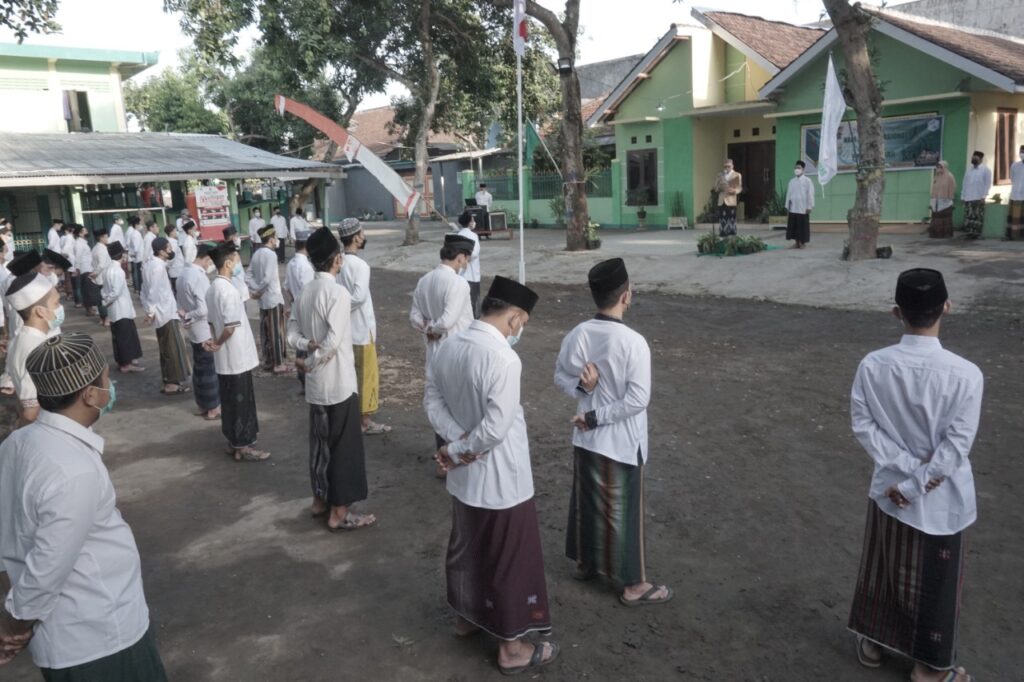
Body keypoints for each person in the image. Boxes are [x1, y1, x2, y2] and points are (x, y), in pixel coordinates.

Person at [0, 332, 168, 680]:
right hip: (99, 635)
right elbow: (47, 566)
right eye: (106, 379)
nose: (110, 387)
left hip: (71, 635)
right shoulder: (72, 470)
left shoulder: (19, 442)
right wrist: (14, 624)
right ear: (90, 394)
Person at [848, 268, 980, 682]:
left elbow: (863, 425)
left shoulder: (873, 365)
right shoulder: (966, 374)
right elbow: (956, 449)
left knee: (884, 565)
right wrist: (919, 479)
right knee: (936, 582)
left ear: (896, 312)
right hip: (938, 496)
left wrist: (905, 474)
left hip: (889, 490)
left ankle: (874, 642)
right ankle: (930, 667)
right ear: (946, 306)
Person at [426, 276, 559, 675]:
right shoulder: (502, 357)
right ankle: (511, 646)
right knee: (507, 558)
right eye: (524, 323)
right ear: (515, 318)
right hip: (500, 477)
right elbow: (497, 428)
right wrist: (461, 447)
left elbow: (431, 400)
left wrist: (453, 441)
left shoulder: (449, 345)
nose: (522, 329)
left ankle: (468, 617)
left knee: (469, 546)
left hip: (466, 474)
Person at [554, 258, 673, 608]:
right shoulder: (633, 342)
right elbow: (638, 400)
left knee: (589, 502)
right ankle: (634, 584)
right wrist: (591, 408)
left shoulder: (579, 334)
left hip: (588, 436)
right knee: (622, 511)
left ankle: (586, 563)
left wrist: (581, 390)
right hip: (618, 441)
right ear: (626, 296)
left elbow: (559, 377)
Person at [287, 227, 376, 531]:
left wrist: (304, 349)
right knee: (344, 448)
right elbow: (334, 341)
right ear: (337, 259)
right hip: (337, 382)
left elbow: (292, 333)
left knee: (320, 443)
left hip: (316, 387)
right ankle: (339, 512)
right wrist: (311, 360)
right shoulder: (336, 293)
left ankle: (320, 500)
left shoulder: (305, 292)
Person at [410, 234, 474, 459]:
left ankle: (443, 453)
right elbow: (448, 320)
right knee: (454, 404)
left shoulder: (425, 279)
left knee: (438, 401)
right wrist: (434, 329)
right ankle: (453, 453)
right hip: (455, 350)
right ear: (459, 257)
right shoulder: (458, 283)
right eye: (466, 259)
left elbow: (414, 316)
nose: (466, 264)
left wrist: (427, 328)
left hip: (434, 350)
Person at [204, 242, 269, 462]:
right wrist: (219, 342)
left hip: (225, 358)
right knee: (242, 402)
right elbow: (230, 328)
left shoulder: (212, 288)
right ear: (228, 263)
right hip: (236, 356)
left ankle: (234, 442)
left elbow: (213, 323)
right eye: (235, 258)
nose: (238, 262)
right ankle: (244, 445)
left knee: (230, 401)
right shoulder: (228, 290)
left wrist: (213, 342)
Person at [336, 218, 389, 435]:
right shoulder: (360, 266)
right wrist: (342, 307)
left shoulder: (338, 261)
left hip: (346, 330)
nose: (364, 236)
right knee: (367, 377)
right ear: (357, 237)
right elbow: (358, 297)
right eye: (362, 232)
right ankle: (365, 421)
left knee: (352, 375)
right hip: (361, 330)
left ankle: (354, 417)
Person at [4, 273, 62, 426]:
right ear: (40, 311)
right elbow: (31, 413)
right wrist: (20, 432)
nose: (60, 308)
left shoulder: (22, 339)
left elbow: (21, 397)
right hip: (48, 428)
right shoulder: (35, 347)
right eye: (56, 303)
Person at [141, 236, 192, 395]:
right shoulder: (157, 267)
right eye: (168, 248)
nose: (171, 251)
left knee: (167, 348)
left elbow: (144, 291)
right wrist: (150, 312)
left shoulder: (150, 264)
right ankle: (171, 384)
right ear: (161, 251)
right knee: (172, 349)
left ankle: (170, 381)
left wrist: (149, 310)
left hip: (162, 312)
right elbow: (153, 292)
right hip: (165, 313)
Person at [177, 243, 220, 421]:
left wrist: (186, 317)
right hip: (203, 329)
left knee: (199, 369)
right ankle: (213, 407)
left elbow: (179, 304)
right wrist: (190, 315)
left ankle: (202, 404)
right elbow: (203, 309)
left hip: (193, 329)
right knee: (209, 369)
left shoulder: (182, 275)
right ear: (207, 258)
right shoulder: (199, 277)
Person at [246, 224, 290, 374]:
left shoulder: (257, 253)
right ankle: (278, 363)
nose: (277, 240)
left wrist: (255, 290)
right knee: (276, 331)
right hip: (273, 298)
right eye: (276, 238)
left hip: (263, 299)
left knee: (265, 331)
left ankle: (267, 360)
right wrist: (258, 290)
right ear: (271, 239)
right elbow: (268, 278)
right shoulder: (271, 255)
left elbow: (248, 276)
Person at [101, 242, 144, 374]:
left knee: (121, 336)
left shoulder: (108, 269)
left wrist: (105, 300)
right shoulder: (118, 270)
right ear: (121, 254)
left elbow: (104, 290)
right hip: (121, 308)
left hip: (115, 309)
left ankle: (126, 360)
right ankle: (126, 364)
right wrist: (107, 301)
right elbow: (116, 291)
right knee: (124, 337)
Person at [284, 229, 315, 390]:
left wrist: (293, 302)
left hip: (296, 307)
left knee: (299, 346)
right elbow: (308, 292)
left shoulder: (291, 263)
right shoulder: (307, 267)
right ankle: (308, 379)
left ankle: (302, 379)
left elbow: (287, 287)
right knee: (307, 345)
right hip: (305, 310)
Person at [455, 212, 482, 318]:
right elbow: (475, 253)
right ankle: (474, 320)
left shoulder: (458, 235)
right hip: (472, 275)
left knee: (461, 300)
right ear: (470, 222)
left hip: (460, 273)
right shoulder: (473, 235)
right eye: (472, 220)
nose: (474, 222)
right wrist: (467, 258)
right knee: (473, 300)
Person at [960, 150, 991, 239]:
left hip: (979, 197)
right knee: (968, 216)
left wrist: (984, 196)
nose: (973, 159)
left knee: (977, 216)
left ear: (980, 159)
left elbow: (987, 184)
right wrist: (963, 196)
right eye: (972, 157)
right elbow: (964, 183)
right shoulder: (969, 170)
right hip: (968, 197)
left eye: (975, 157)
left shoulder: (986, 170)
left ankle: (976, 234)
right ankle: (969, 233)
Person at [784, 160, 815, 249]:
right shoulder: (792, 181)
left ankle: (802, 243)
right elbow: (788, 194)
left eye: (799, 168)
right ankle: (796, 242)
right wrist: (787, 206)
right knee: (794, 226)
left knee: (802, 226)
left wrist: (810, 206)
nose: (796, 169)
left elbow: (810, 194)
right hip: (793, 207)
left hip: (803, 208)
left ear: (803, 169)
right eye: (795, 168)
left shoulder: (807, 181)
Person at [928, 161, 957, 239]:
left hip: (945, 201)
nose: (939, 169)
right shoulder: (936, 176)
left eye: (941, 167)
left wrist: (950, 197)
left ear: (945, 167)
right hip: (936, 201)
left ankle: (945, 234)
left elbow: (952, 187)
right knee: (936, 217)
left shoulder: (949, 176)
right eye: (938, 167)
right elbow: (933, 188)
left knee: (944, 217)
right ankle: (936, 234)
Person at [90, 226, 111, 327]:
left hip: (98, 277)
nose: (107, 239)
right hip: (102, 276)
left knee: (100, 298)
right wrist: (95, 273)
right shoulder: (101, 249)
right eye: (106, 237)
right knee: (104, 298)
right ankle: (106, 318)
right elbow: (102, 264)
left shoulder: (95, 248)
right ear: (101, 238)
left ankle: (102, 319)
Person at [222, 226, 250, 303]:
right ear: (232, 237)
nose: (238, 238)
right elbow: (234, 271)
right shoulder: (228, 251)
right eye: (236, 236)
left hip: (238, 286)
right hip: (236, 288)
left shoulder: (232, 249)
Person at [715, 158, 742, 237]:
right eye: (725, 166)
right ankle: (723, 232)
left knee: (731, 217)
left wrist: (735, 191)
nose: (727, 168)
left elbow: (739, 187)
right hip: (722, 199)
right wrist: (718, 188)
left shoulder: (737, 175)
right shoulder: (720, 175)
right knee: (722, 217)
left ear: (732, 166)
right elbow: (715, 187)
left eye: (728, 166)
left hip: (731, 199)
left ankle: (732, 233)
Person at [1006, 144, 1024, 241]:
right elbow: (1012, 178)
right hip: (1015, 195)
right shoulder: (1015, 165)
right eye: (1021, 152)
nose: (1022, 154)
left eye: (1023, 152)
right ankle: (1012, 235)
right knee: (1014, 217)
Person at [164, 224, 185, 294]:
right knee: (178, 292)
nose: (176, 232)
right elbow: (171, 258)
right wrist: (168, 266)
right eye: (175, 231)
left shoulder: (171, 241)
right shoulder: (172, 243)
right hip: (176, 270)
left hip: (176, 270)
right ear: (171, 232)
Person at [126, 216, 144, 292]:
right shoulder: (136, 234)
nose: (141, 226)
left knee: (138, 274)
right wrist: (134, 255)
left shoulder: (135, 233)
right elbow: (136, 248)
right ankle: (139, 289)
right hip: (138, 258)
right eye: (139, 224)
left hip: (138, 257)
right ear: (136, 225)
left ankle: (138, 288)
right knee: (138, 275)